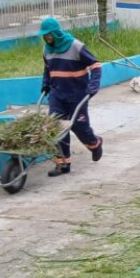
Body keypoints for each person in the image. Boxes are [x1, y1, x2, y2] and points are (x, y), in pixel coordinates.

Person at [38, 17, 104, 176]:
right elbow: (47, 69)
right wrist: (46, 84)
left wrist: (93, 86)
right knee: (57, 128)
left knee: (80, 128)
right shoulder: (47, 50)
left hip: (77, 95)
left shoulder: (76, 46)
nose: (46, 38)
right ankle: (63, 164)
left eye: (48, 34)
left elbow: (95, 65)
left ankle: (94, 144)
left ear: (56, 33)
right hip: (57, 94)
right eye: (44, 35)